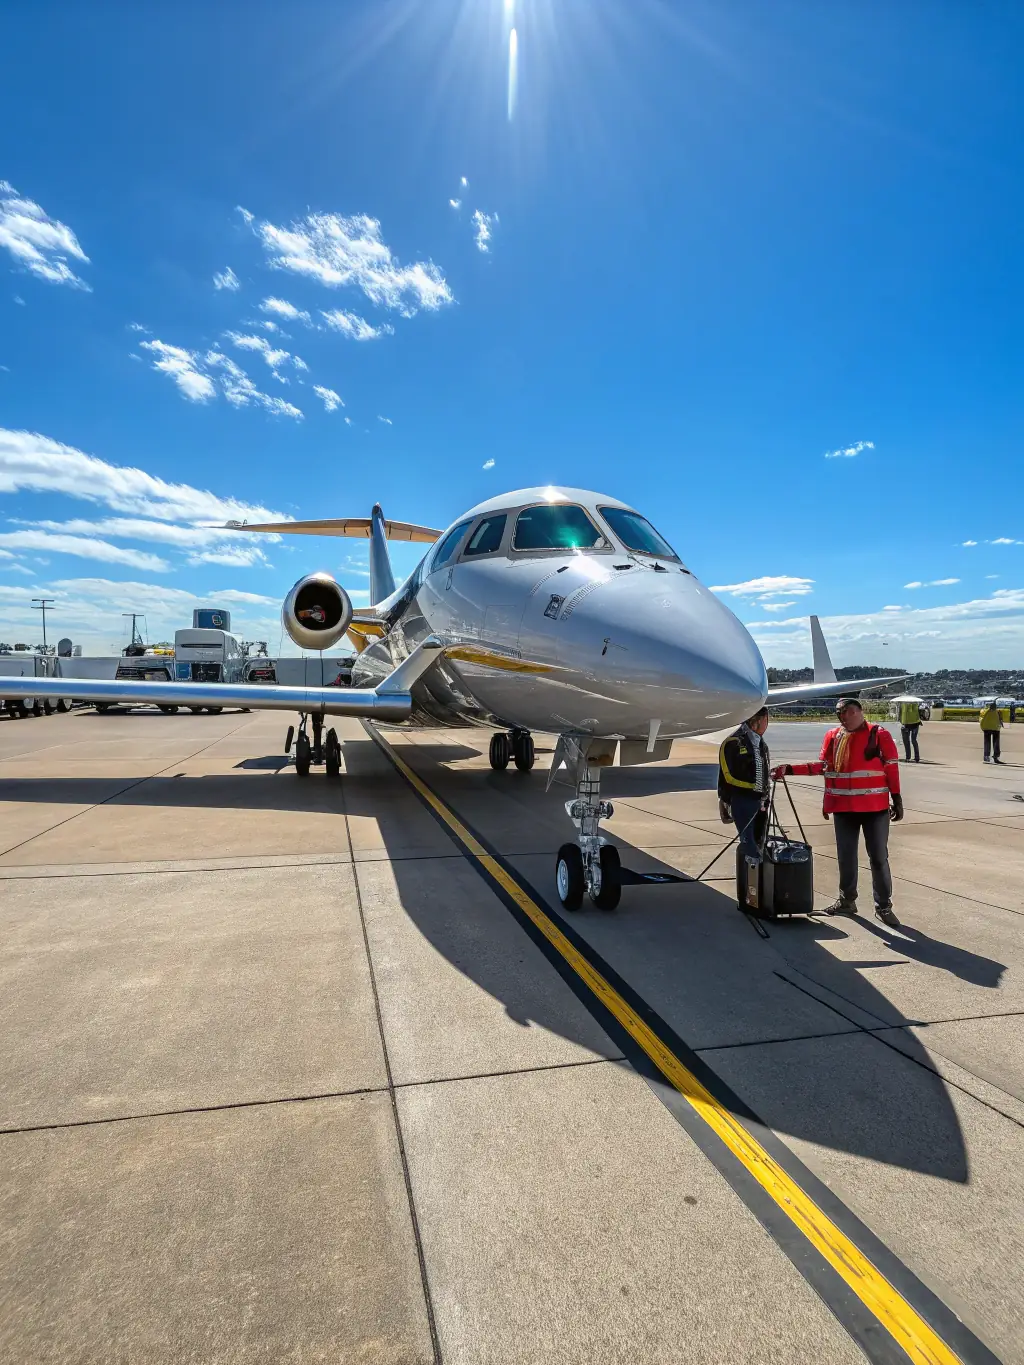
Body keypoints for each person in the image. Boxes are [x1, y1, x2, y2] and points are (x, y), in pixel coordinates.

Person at [772, 697, 903, 927]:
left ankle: (884, 905)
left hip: (875, 810)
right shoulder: (833, 736)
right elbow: (824, 768)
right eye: (839, 713)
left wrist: (897, 798)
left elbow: (891, 768)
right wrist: (790, 769)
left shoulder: (878, 735)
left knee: (879, 858)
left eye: (848, 711)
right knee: (846, 857)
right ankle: (847, 901)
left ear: (860, 711)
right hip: (844, 810)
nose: (843, 716)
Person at [718, 706, 771, 865]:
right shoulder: (734, 742)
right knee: (749, 844)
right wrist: (754, 787)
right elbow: (728, 775)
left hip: (759, 800)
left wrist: (764, 792)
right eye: (767, 720)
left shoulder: (760, 743)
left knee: (760, 839)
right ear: (759, 720)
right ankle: (751, 880)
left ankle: (758, 878)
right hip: (743, 799)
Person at [898, 696, 923, 763]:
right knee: (909, 741)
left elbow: (899, 714)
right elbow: (900, 713)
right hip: (907, 724)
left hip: (913, 724)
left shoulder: (913, 704)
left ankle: (914, 757)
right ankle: (910, 757)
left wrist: (900, 720)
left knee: (912, 741)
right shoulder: (904, 704)